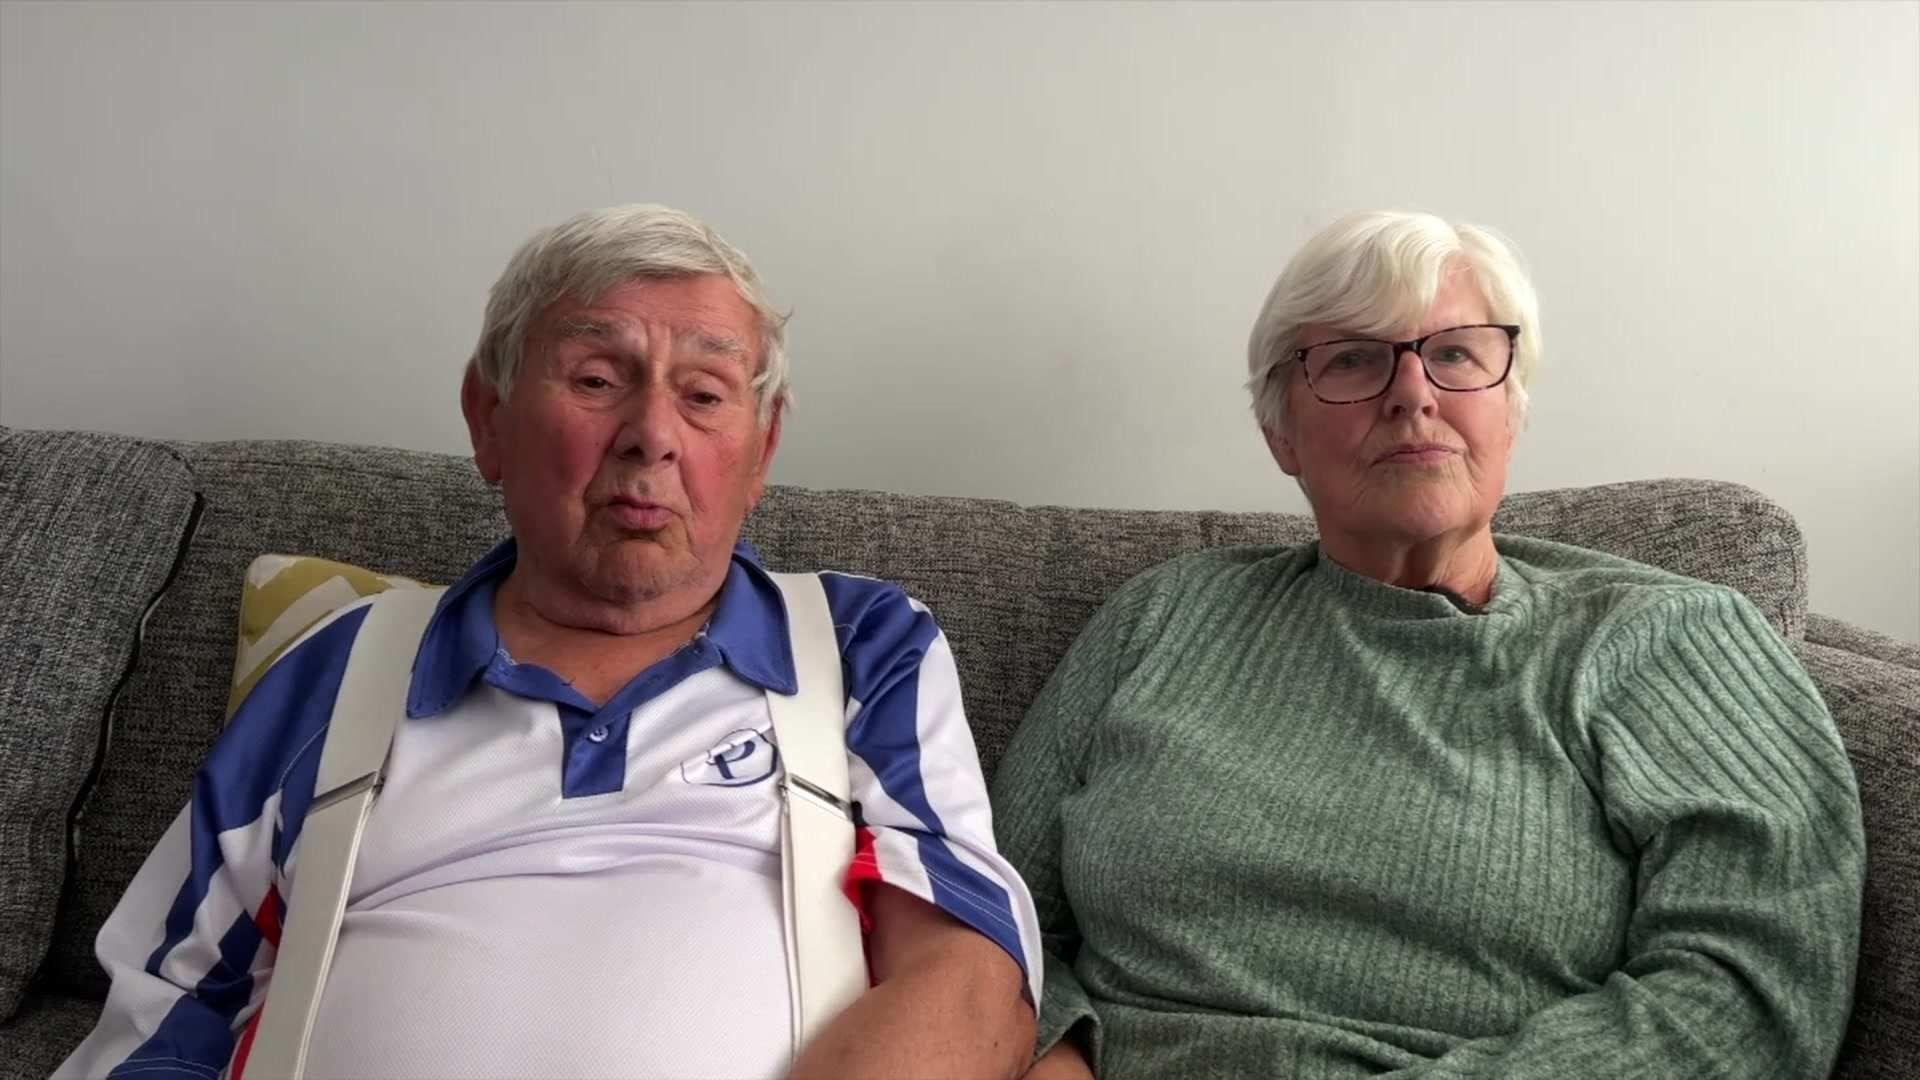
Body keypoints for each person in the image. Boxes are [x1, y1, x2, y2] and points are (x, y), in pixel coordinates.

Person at [59, 204, 1039, 1080]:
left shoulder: (860, 645)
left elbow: (968, 982)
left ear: (762, 451)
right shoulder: (345, 664)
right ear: (488, 418)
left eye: (703, 394)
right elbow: (165, 1021)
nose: (651, 434)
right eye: (598, 378)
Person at [994, 210, 1864, 1079]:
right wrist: (1059, 1049)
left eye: (1454, 354)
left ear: (1512, 410)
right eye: (1352, 360)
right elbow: (984, 903)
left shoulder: (1668, 641)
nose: (1412, 394)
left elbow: (1751, 997)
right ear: (1281, 437)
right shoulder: (1167, 614)